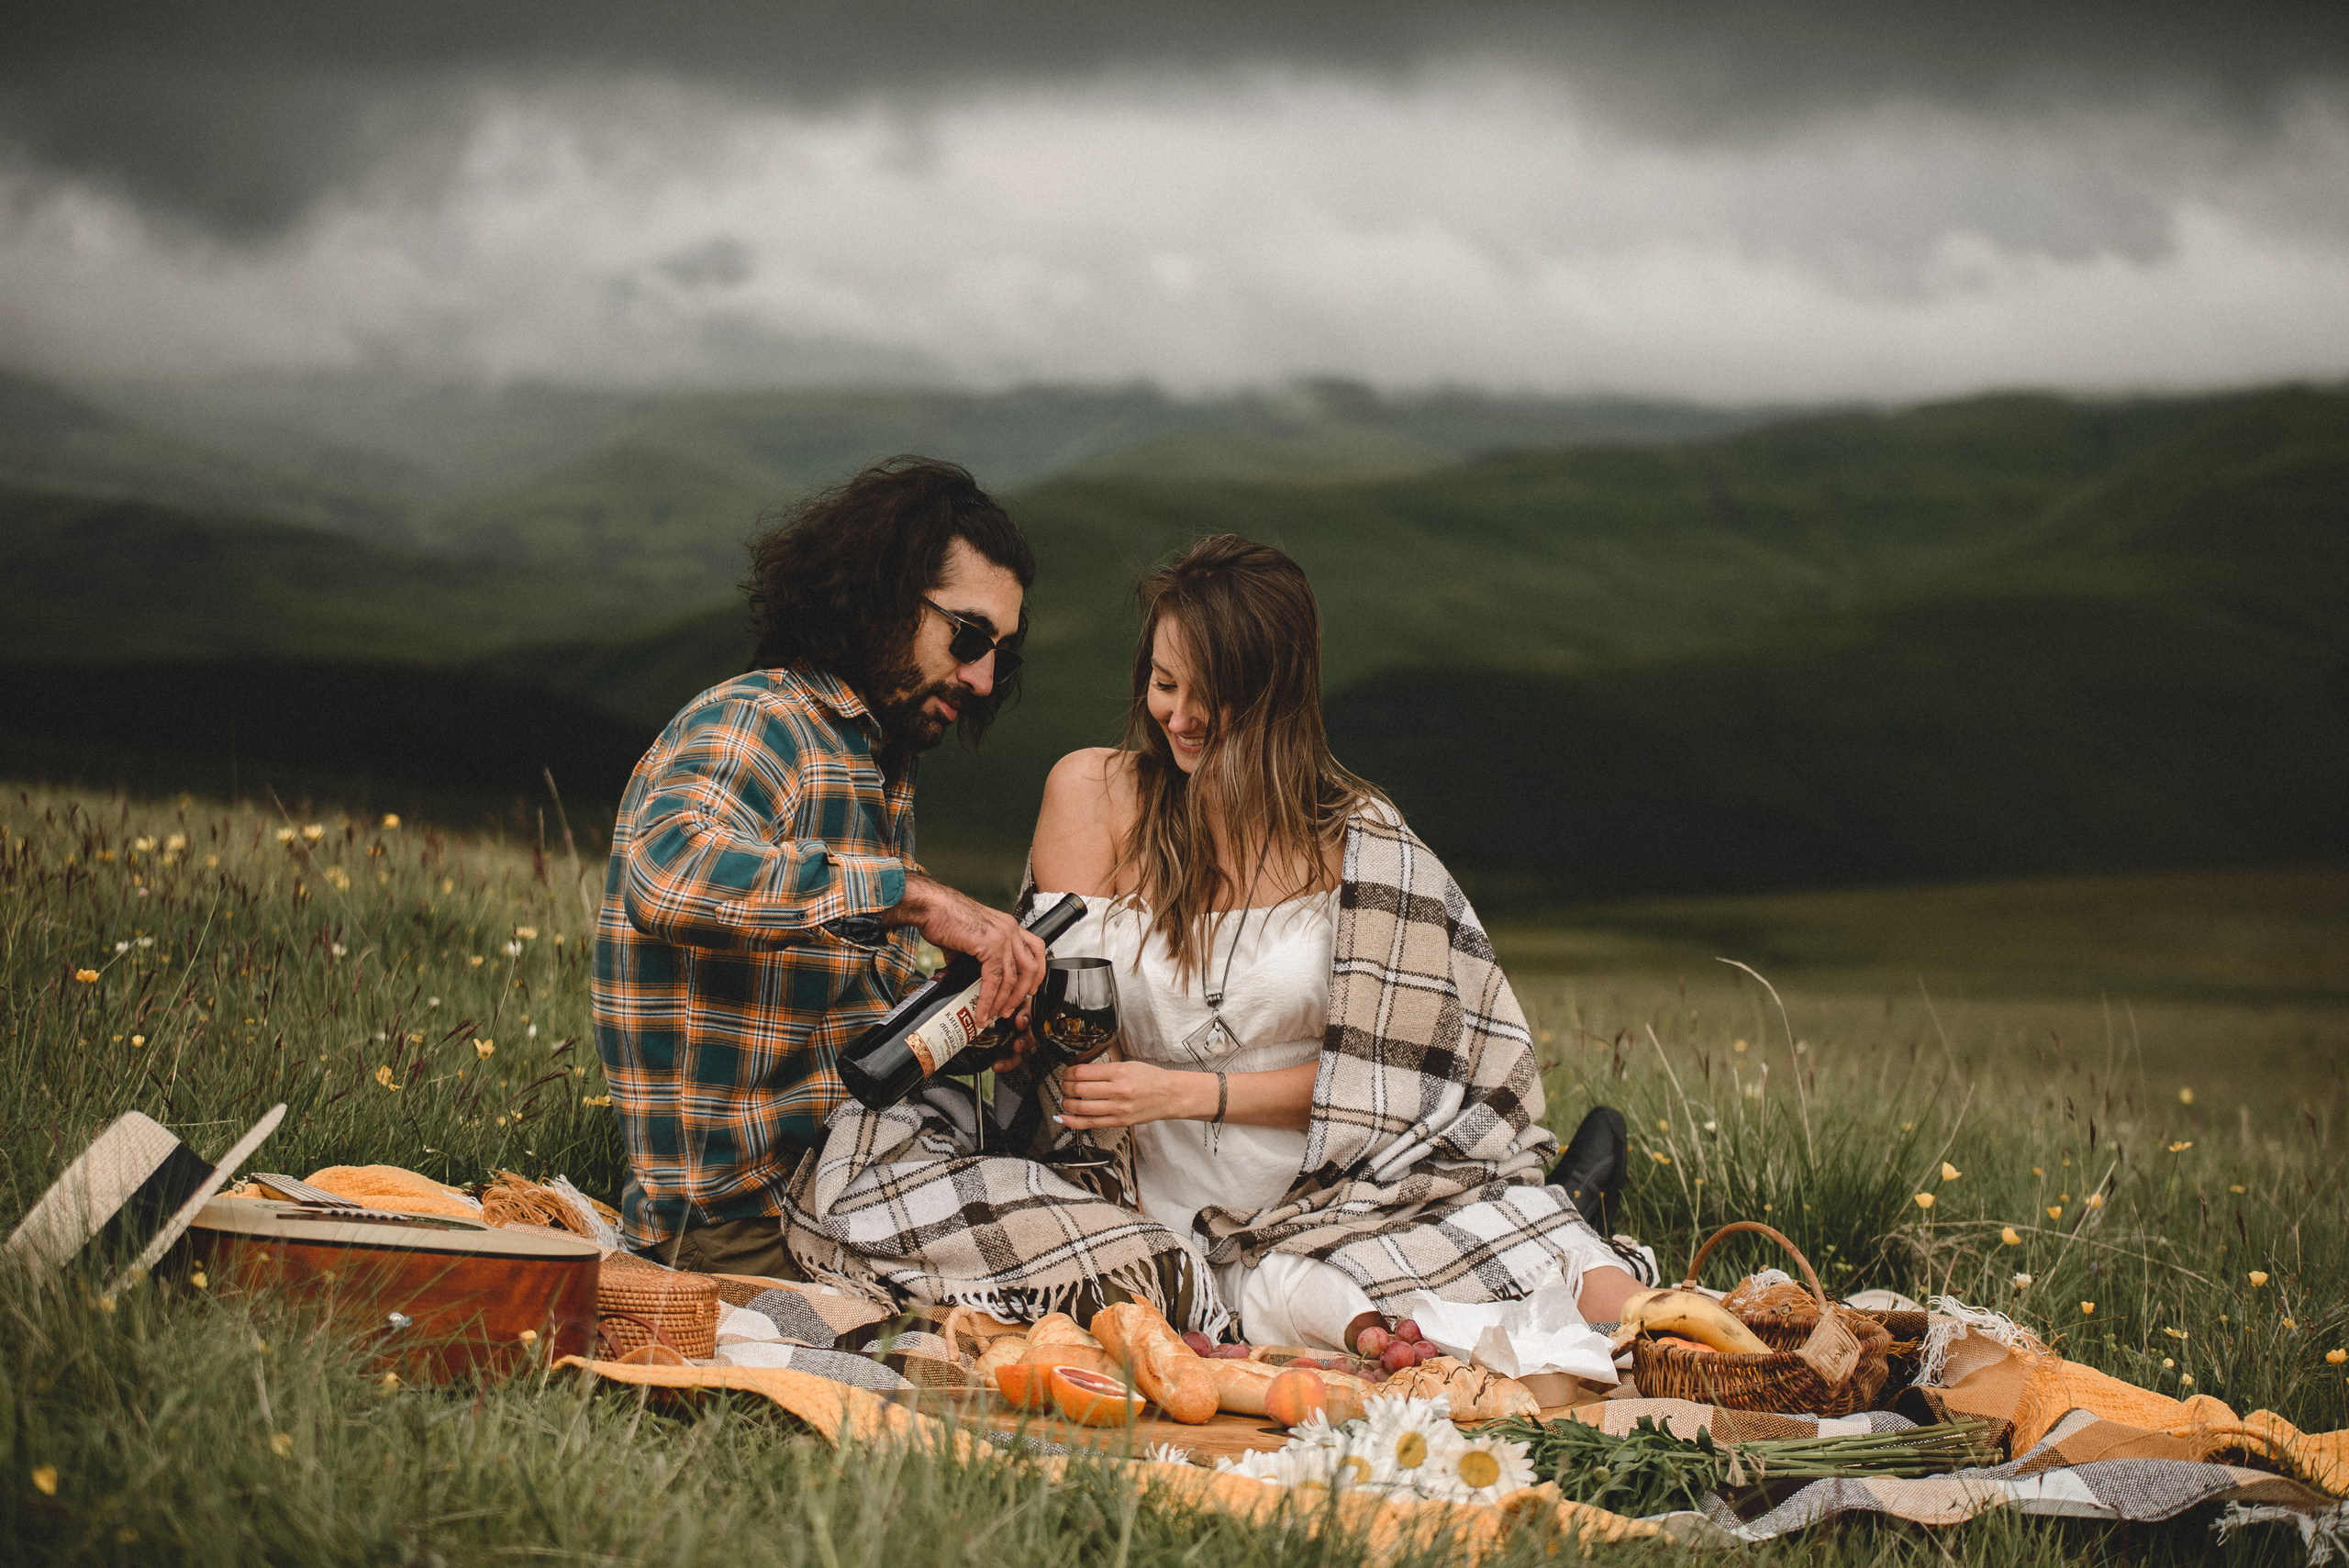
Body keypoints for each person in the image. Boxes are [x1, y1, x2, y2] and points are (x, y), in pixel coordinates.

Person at [1024, 534, 1649, 1351]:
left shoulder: (1364, 844)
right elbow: (1064, 1016)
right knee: (1339, 1305)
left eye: (1205, 694)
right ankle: (1577, 1195)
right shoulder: (1093, 796)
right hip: (1170, 1193)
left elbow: (1388, 1080)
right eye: (1162, 682)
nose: (1176, 716)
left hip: (1348, 1173)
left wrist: (1184, 1092)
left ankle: (1573, 1214)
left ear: (1274, 695)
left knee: (1609, 1300)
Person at [592, 456, 1048, 1280]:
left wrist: (964, 1021)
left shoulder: (871, 762)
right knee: (1099, 1264)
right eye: (970, 637)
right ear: (881, 594)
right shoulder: (764, 721)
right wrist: (912, 896)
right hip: (743, 1226)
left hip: (843, 1184)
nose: (982, 679)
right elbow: (664, 873)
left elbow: (835, 1037)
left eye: (1000, 657)